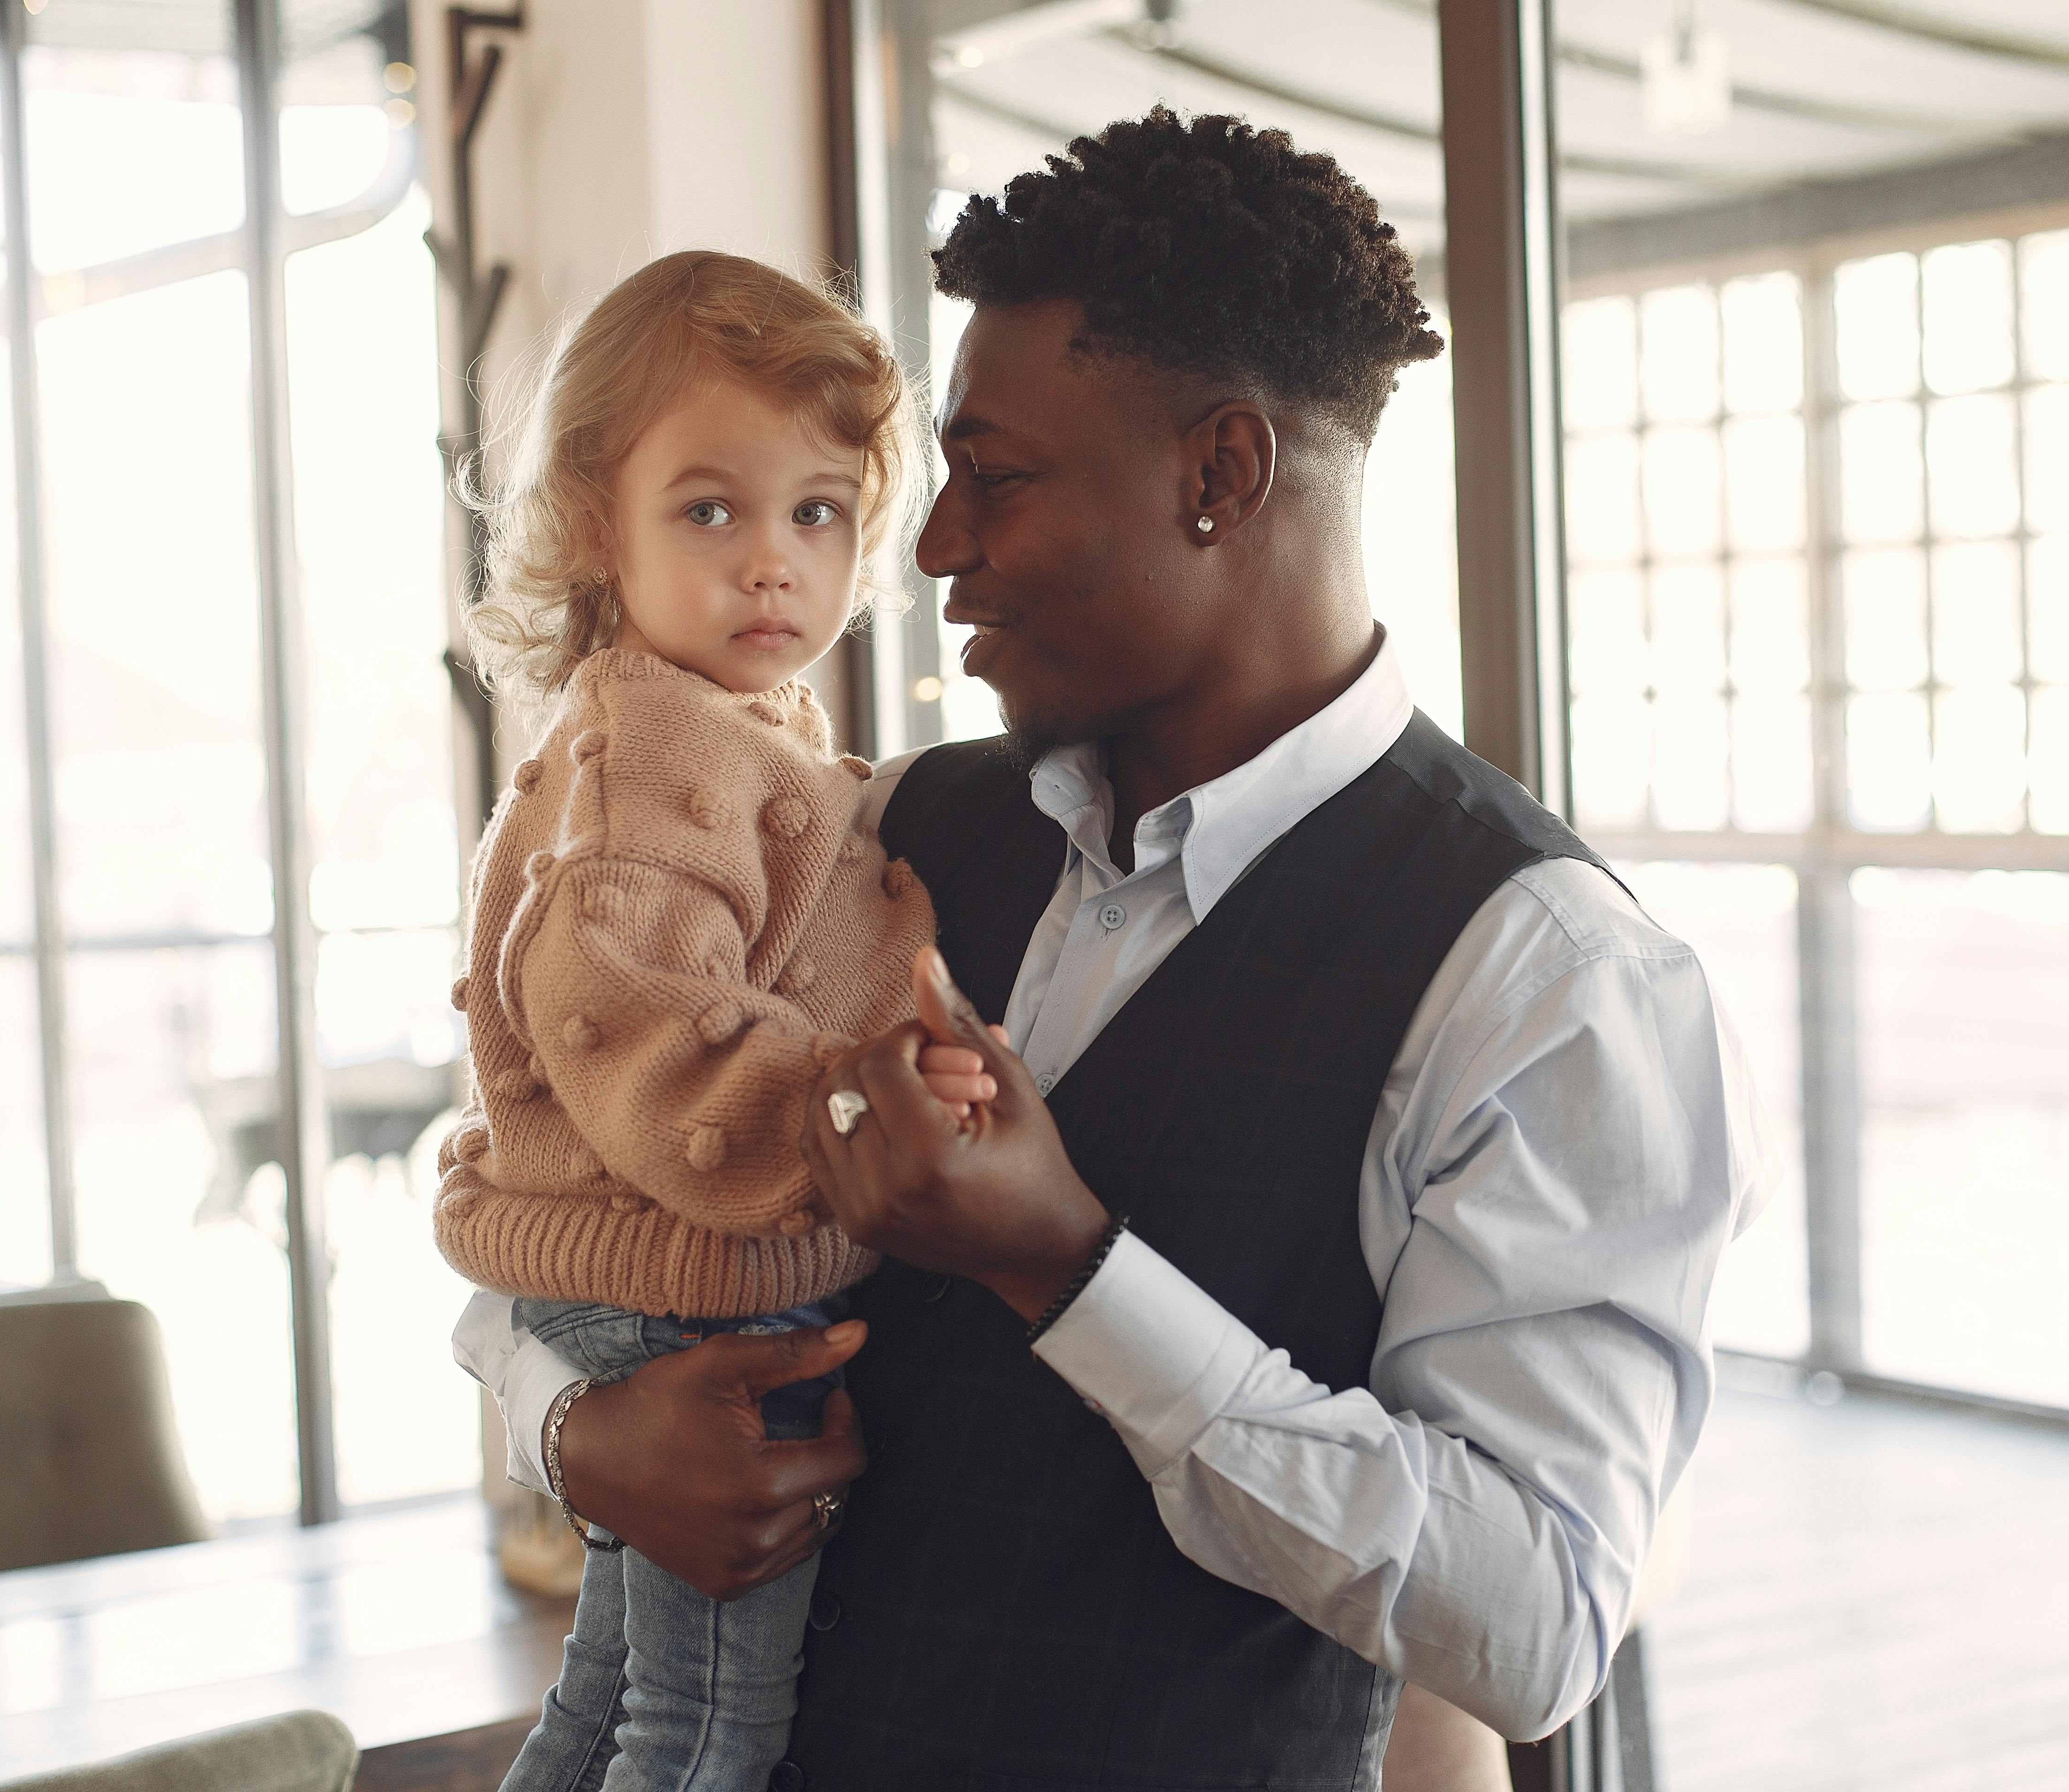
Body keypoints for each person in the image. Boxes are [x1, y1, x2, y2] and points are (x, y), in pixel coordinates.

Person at [455, 109, 1761, 1791]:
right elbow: (545, 1162)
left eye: (989, 480)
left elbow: (1533, 1621)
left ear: (1221, 475)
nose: (925, 552)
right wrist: (574, 1432)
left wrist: (1068, 1264)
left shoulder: (1555, 984)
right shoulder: (889, 823)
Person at [436, 249, 997, 1792]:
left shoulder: (728, 738)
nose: (774, 564)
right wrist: (860, 1101)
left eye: (816, 512)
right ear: (591, 528)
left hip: (669, 1289)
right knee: (713, 1734)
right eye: (712, 511)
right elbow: (642, 1033)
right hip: (692, 1299)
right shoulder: (654, 765)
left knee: (610, 1694)